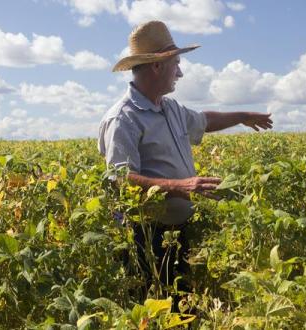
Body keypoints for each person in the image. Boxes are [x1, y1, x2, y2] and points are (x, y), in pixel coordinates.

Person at [97, 20, 272, 290]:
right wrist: (181, 186)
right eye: (176, 64)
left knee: (183, 305)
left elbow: (204, 121)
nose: (179, 73)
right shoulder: (123, 119)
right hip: (146, 236)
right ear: (157, 65)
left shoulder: (169, 108)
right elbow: (121, 179)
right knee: (155, 306)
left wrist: (242, 116)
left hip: (178, 230)